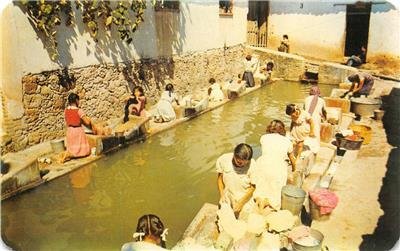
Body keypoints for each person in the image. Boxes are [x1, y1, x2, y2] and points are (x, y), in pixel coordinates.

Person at [254, 120, 297, 211]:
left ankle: (260, 201)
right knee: (275, 191)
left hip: (262, 163)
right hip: (278, 166)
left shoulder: (264, 137)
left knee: (261, 186)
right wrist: (294, 169)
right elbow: (292, 159)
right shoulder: (287, 141)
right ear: (282, 130)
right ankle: (269, 203)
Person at [217, 143, 257, 219]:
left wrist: (241, 203)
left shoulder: (253, 165)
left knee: (247, 217)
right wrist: (222, 194)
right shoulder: (223, 160)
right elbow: (219, 178)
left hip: (244, 196)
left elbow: (253, 187)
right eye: (238, 162)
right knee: (224, 216)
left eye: (244, 163)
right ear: (234, 154)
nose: (241, 165)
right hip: (228, 193)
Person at [59, 93, 91, 163]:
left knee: (72, 148)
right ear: (76, 100)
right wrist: (89, 119)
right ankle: (79, 154)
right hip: (77, 131)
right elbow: (87, 122)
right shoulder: (79, 111)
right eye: (78, 100)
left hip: (70, 131)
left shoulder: (66, 110)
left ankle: (71, 154)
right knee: (85, 152)